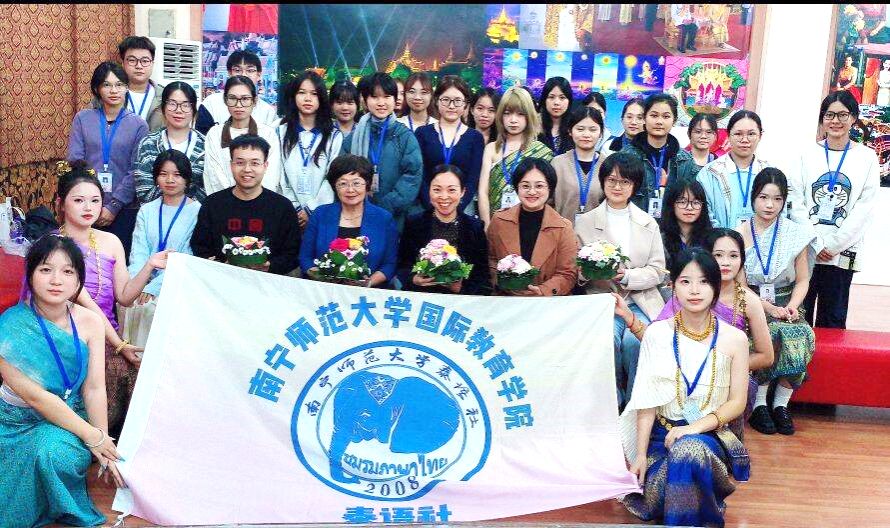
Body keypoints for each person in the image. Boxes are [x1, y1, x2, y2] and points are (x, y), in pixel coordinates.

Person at [619, 248, 750, 528]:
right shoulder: (657, 334)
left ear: (716, 287)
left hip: (710, 437)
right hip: (661, 439)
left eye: (704, 281)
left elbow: (737, 402)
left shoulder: (735, 339)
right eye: (685, 281)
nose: (694, 290)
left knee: (688, 450)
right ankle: (702, 505)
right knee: (678, 464)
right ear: (672, 286)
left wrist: (693, 428)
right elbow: (646, 400)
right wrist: (640, 455)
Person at [0, 236, 125, 527]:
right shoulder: (10, 326)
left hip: (68, 420)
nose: (56, 280)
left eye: (68, 271)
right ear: (30, 274)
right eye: (46, 270)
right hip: (12, 420)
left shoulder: (91, 322)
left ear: (79, 280)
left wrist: (102, 441)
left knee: (52, 455)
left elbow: (94, 388)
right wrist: (93, 437)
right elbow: (36, 397)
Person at [54, 161, 171, 437]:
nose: (88, 207)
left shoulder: (111, 241)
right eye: (79, 200)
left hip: (109, 338)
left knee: (145, 384)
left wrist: (150, 265)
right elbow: (84, 305)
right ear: (61, 203)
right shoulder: (53, 246)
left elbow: (125, 297)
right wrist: (119, 344)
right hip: (67, 337)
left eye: (95, 200)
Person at [575, 152, 666, 408]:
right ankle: (612, 402)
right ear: (603, 182)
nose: (618, 186)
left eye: (625, 181)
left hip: (641, 301)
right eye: (612, 180)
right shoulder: (585, 222)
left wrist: (627, 276)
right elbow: (577, 271)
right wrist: (593, 270)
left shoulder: (648, 222)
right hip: (603, 301)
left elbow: (658, 270)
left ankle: (637, 405)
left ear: (634, 186)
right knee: (607, 341)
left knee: (635, 342)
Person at [790, 91, 880, 329]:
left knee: (833, 319)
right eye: (829, 115)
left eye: (842, 115)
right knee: (799, 316)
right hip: (807, 250)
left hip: (842, 253)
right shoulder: (806, 154)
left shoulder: (867, 158)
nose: (835, 121)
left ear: (854, 118)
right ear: (822, 119)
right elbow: (795, 200)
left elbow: (865, 208)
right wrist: (816, 243)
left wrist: (833, 245)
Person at [740, 168, 816, 435]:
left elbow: (803, 280)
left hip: (787, 300)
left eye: (777, 199)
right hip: (752, 302)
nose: (769, 205)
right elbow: (740, 287)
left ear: (784, 201)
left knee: (801, 333)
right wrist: (769, 308)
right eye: (763, 197)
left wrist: (792, 305)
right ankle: (759, 404)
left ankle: (781, 404)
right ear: (753, 198)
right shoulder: (739, 234)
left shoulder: (795, 234)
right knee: (770, 332)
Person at [69, 61, 149, 260]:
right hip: (86, 206)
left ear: (127, 88)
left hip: (124, 209)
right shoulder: (83, 119)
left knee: (116, 263)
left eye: (119, 84)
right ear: (97, 88)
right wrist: (92, 202)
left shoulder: (138, 125)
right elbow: (76, 160)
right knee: (84, 261)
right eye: (107, 85)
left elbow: (135, 170)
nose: (114, 90)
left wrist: (113, 206)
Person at [191, 135, 300, 275]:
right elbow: (199, 246)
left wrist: (270, 266)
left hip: (268, 282)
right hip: (221, 280)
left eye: (255, 163)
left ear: (265, 166)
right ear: (231, 165)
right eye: (240, 162)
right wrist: (219, 265)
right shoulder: (212, 204)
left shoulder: (282, 207)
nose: (247, 169)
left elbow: (292, 252)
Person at [341, 72, 423, 232]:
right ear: (365, 100)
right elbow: (341, 173)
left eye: (387, 97)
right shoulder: (354, 137)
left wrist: (386, 206)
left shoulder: (404, 136)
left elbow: (413, 175)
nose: (381, 103)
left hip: (395, 216)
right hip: (357, 214)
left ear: (395, 99)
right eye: (374, 97)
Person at [300, 155, 398, 287]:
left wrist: (367, 283)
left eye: (356, 183)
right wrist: (322, 277)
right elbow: (305, 258)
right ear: (334, 186)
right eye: (343, 184)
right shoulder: (320, 214)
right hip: (324, 290)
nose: (350, 190)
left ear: (367, 185)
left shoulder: (384, 218)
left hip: (369, 293)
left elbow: (390, 264)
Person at [487, 158, 577, 296]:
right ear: (517, 188)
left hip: (547, 301)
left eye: (539, 186)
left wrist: (543, 290)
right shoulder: (499, 220)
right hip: (506, 299)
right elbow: (491, 259)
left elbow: (567, 273)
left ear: (550, 188)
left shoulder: (563, 227)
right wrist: (501, 282)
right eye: (525, 186)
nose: (532, 192)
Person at [398, 165, 489, 295]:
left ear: (462, 192)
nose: (444, 196)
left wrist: (461, 289)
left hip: (460, 302)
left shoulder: (474, 227)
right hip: (421, 298)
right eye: (437, 190)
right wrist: (414, 279)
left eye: (451, 190)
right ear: (429, 191)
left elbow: (482, 274)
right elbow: (403, 265)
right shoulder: (414, 223)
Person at [129, 150, 201, 306]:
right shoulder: (146, 210)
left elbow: (187, 256)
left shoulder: (198, 212)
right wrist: (137, 284)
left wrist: (154, 288)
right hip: (142, 284)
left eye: (177, 175)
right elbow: (138, 252)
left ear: (187, 178)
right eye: (163, 174)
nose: (170, 180)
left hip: (178, 285)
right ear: (156, 178)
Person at [478, 86, 554, 227]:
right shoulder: (491, 149)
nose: (513, 120)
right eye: (507, 113)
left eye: (520, 114)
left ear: (529, 116)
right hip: (496, 224)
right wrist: (487, 226)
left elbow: (548, 196)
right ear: (501, 116)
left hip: (531, 224)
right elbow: (483, 192)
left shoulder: (541, 151)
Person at [277, 71, 343, 229]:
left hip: (321, 212)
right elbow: (279, 176)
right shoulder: (280, 132)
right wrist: (294, 207)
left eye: (314, 94)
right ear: (293, 96)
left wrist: (311, 209)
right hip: (287, 211)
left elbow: (331, 177)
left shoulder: (333, 135)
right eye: (302, 93)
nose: (308, 99)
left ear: (321, 98)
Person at [415, 76, 484, 215]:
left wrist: (456, 209)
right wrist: (431, 205)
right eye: (446, 100)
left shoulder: (475, 137)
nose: (451, 106)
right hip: (427, 206)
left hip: (463, 208)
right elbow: (419, 174)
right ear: (436, 101)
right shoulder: (422, 133)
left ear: (465, 104)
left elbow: (473, 178)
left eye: (457, 101)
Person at [621, 93, 697, 217]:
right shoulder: (626, 157)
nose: (659, 121)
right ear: (644, 118)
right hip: (634, 224)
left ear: (674, 120)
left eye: (666, 116)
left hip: (671, 226)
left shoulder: (685, 161)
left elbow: (691, 200)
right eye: (654, 115)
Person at [204, 76, 281, 196]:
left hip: (261, 203)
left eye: (245, 99)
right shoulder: (214, 134)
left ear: (254, 101)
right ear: (225, 100)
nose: (238, 105)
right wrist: (233, 200)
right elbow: (213, 177)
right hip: (223, 203)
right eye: (232, 98)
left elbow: (271, 177)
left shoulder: (267, 134)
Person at [134, 82, 206, 205]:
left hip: (197, 215)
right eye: (172, 104)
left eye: (186, 105)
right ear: (163, 108)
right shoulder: (149, 144)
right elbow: (144, 193)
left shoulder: (205, 145)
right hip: (156, 214)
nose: (179, 110)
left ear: (194, 109)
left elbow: (210, 191)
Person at [697, 110, 770, 229]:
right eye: (738, 134)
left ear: (760, 136)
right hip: (719, 239)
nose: (745, 140)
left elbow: (779, 213)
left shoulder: (769, 174)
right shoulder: (709, 173)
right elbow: (704, 215)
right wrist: (724, 238)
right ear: (728, 135)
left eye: (751, 134)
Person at [195, 50, 278, 134]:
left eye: (250, 70)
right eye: (237, 70)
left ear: (259, 75)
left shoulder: (268, 112)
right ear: (229, 73)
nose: (244, 75)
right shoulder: (211, 103)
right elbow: (201, 137)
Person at [552, 106, 605, 224]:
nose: (586, 134)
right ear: (570, 131)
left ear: (601, 133)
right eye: (580, 129)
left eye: (593, 130)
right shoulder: (557, 163)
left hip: (597, 233)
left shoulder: (608, 165)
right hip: (561, 231)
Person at [659, 179, 712, 273]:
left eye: (696, 202)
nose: (689, 208)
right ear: (672, 205)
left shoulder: (711, 239)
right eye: (682, 202)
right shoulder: (660, 239)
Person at [118, 36, 163, 129]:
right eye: (132, 60)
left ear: (152, 64)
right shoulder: (110, 93)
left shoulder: (165, 96)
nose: (139, 66)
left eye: (145, 61)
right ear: (122, 63)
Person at [537, 77, 574, 156]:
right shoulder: (533, 124)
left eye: (562, 97)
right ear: (544, 100)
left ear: (569, 100)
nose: (556, 102)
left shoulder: (576, 125)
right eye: (551, 97)